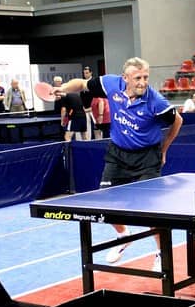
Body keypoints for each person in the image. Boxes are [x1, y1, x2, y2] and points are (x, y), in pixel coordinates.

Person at [53, 57, 183, 270]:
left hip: (147, 157)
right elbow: (82, 84)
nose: (143, 82)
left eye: (145, 77)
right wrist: (62, 89)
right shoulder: (111, 84)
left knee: (152, 210)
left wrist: (164, 149)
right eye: (138, 78)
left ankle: (161, 253)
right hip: (118, 153)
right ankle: (124, 235)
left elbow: (178, 120)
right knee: (107, 201)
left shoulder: (156, 101)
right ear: (125, 78)